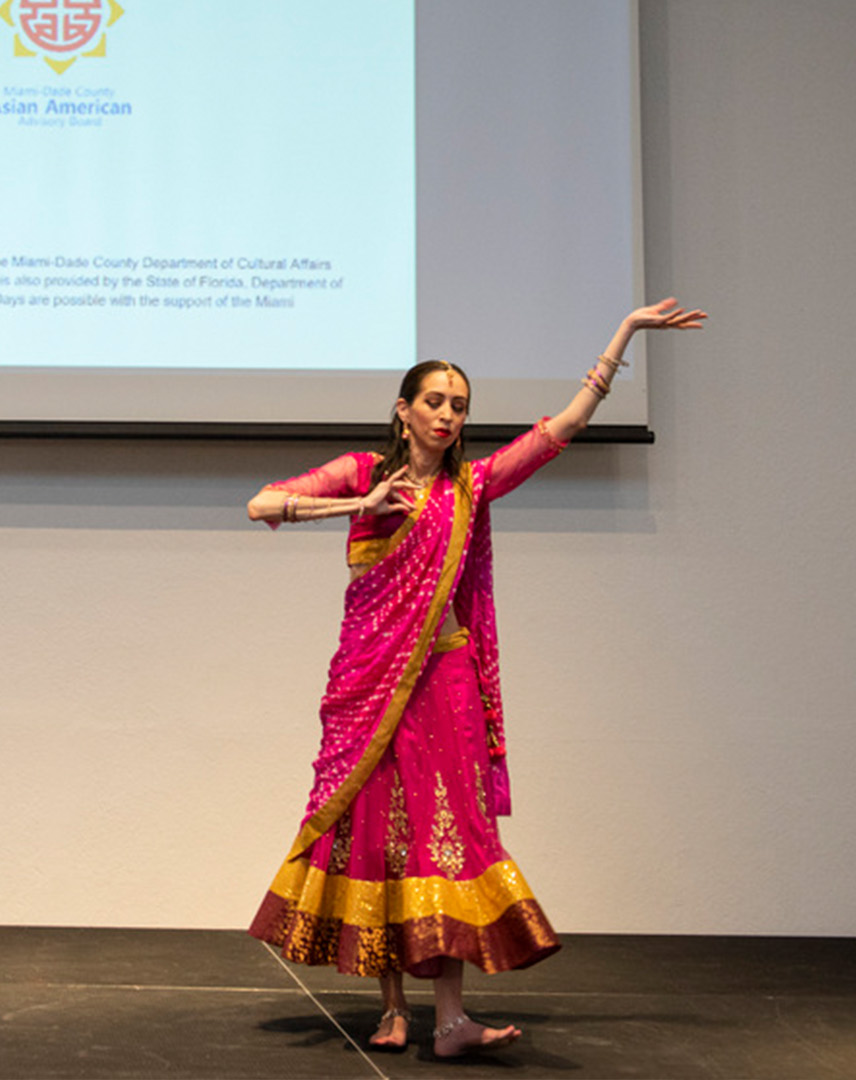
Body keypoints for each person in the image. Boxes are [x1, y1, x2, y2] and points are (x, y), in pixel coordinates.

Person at [244, 299, 705, 1058]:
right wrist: (359, 504)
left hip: (446, 684)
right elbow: (258, 503)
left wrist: (623, 332)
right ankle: (393, 1009)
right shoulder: (362, 474)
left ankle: (452, 1020)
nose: (447, 415)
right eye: (434, 401)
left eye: (459, 406)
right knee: (378, 837)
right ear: (403, 410)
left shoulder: (472, 486)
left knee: (449, 836)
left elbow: (563, 427)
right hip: (370, 686)